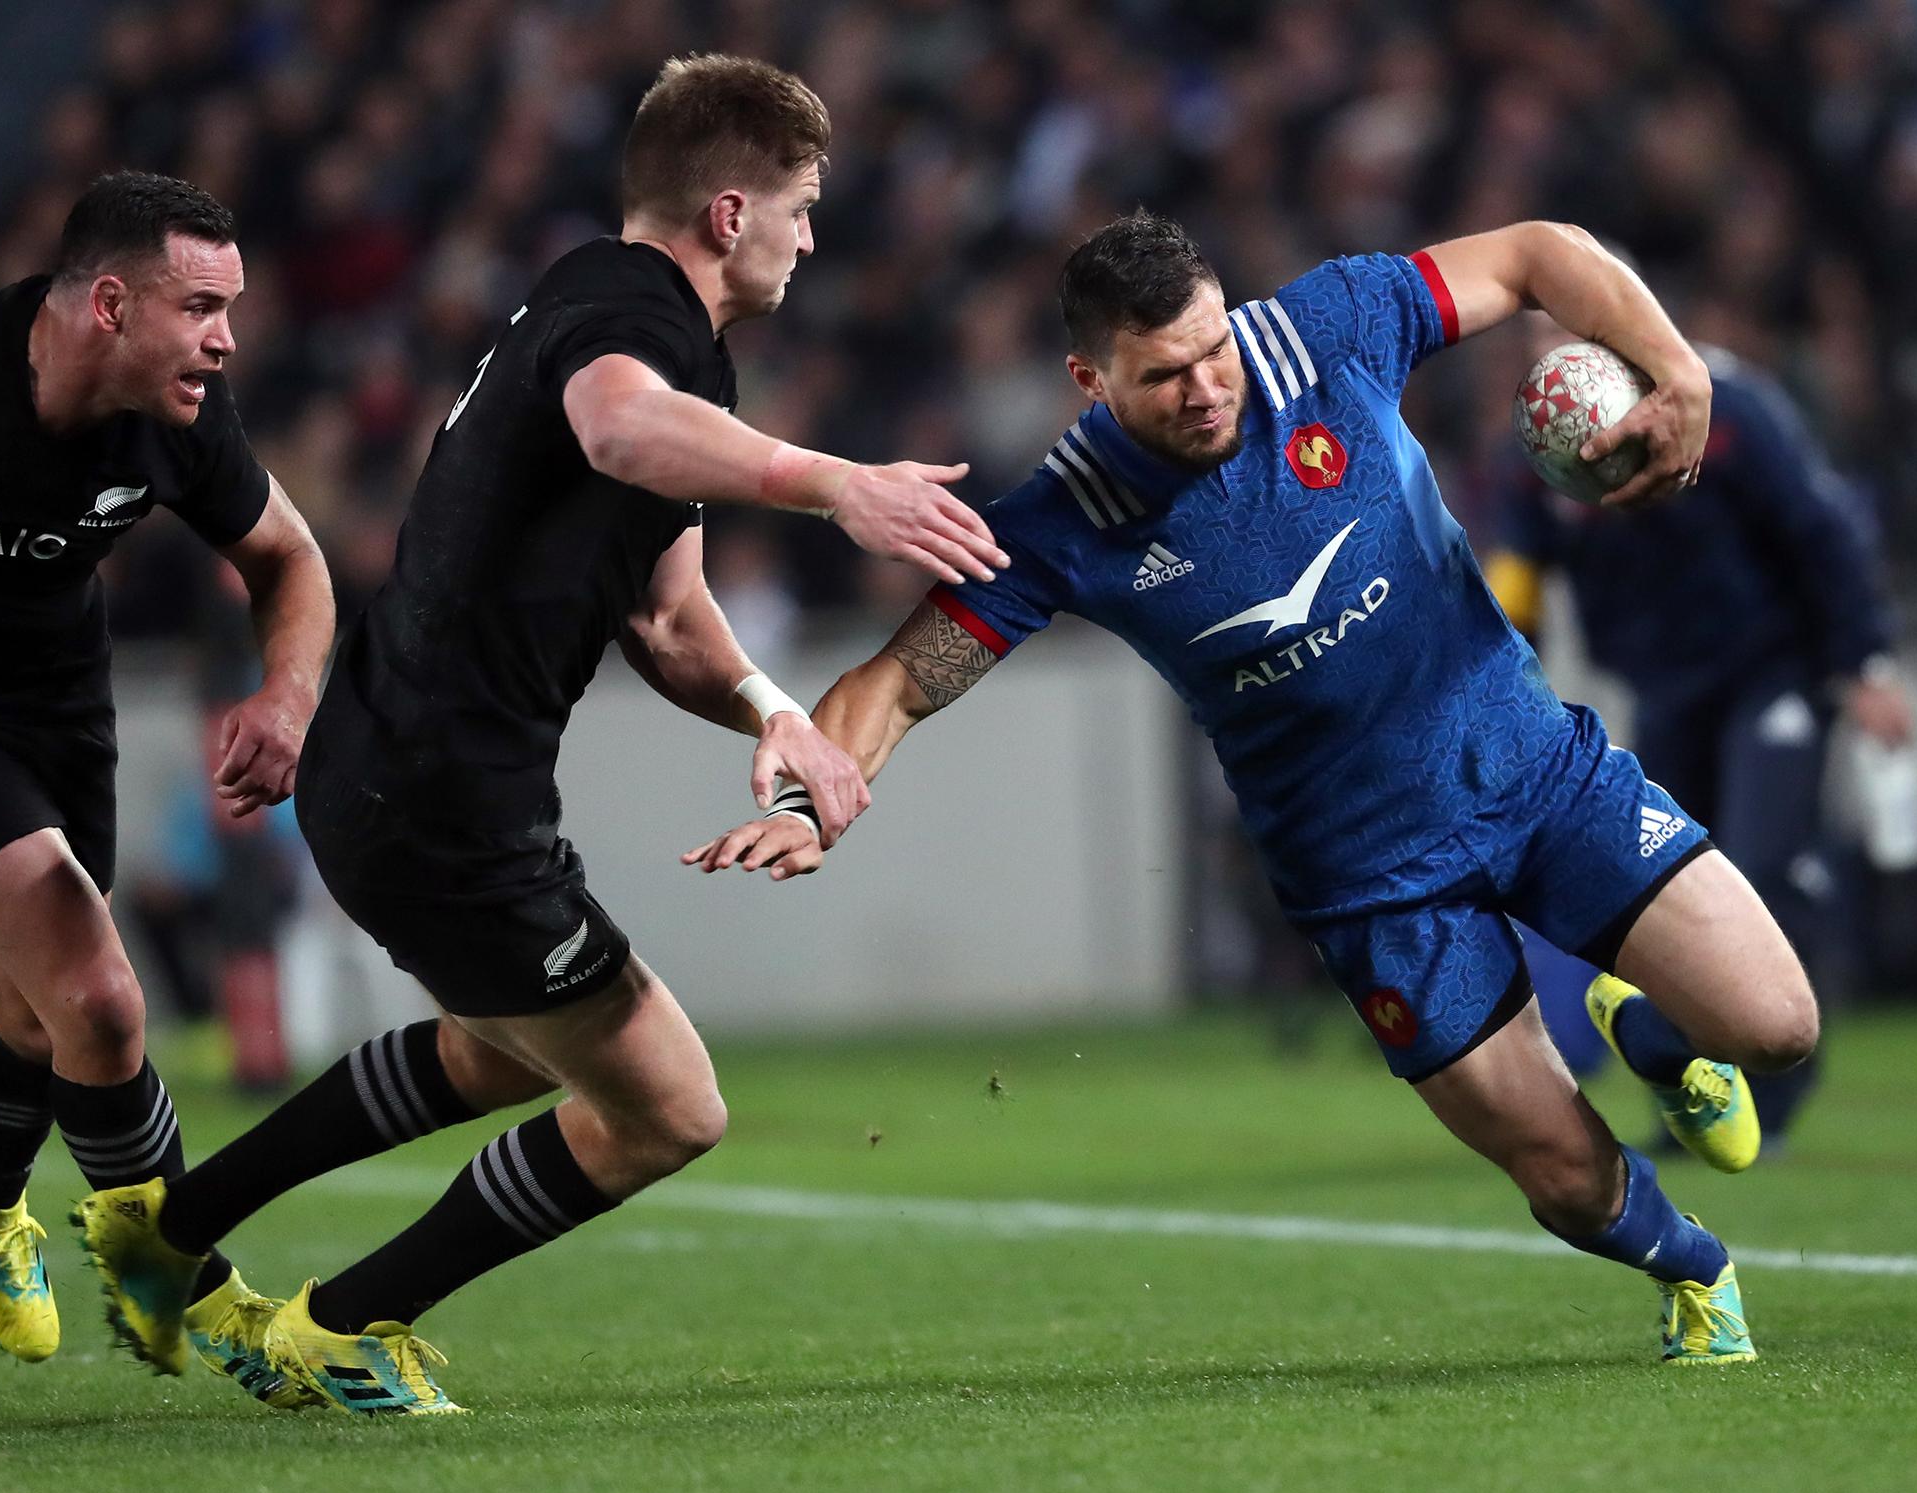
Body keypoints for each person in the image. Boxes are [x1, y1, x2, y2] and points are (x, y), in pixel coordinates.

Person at [689, 211, 1822, 1365]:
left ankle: (1657, 1036)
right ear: (1090, 379)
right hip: (1373, 891)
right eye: (1161, 374)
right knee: (1565, 1177)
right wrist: (802, 796)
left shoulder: (1325, 330)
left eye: (1209, 348)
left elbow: (1539, 252)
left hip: (1534, 775)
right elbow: (894, 685)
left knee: (1777, 1028)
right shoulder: (1062, 525)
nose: (1203, 387)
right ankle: (1692, 1269)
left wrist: (1677, 369)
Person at [74, 53, 1008, 1417]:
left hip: (397, 767)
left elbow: (673, 620)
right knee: (671, 1111)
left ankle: (165, 1234)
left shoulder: (628, 322)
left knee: (503, 1050)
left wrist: (776, 716)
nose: (816, 236)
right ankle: (340, 1325)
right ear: (732, 212)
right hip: (444, 797)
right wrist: (838, 485)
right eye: (803, 205)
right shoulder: (630, 318)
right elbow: (619, 428)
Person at [0, 173, 334, 1401]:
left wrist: (285, 699)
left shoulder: (184, 419)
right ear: (111, 303)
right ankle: (169, 1264)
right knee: (99, 991)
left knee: (39, 1018)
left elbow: (291, 559)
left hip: (58, 707)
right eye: (201, 308)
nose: (227, 338)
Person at [1483, 336, 1912, 1152]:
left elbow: (1820, 531)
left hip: (1770, 672)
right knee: (1664, 896)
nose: (1551, 361)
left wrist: (1867, 662)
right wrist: (1499, 695)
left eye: (1564, 336)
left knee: (1760, 867)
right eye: (1534, 344)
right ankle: (1693, 1093)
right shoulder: (1534, 449)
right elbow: (1517, 579)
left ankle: (1773, 1096)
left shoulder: (1723, 411)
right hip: (1665, 688)